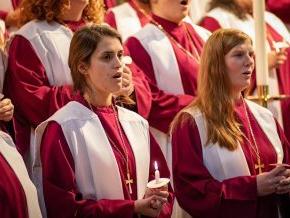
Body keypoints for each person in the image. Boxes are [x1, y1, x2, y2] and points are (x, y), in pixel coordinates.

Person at [32, 24, 173, 218]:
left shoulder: (136, 123)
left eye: (120, 55)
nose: (118, 64)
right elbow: (63, 208)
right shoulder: (62, 128)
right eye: (107, 57)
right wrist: (131, 208)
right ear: (83, 66)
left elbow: (163, 184)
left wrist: (156, 202)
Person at [171, 28, 290, 218]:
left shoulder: (265, 116)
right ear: (217, 64)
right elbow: (191, 191)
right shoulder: (192, 122)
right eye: (239, 54)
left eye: (251, 54)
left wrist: (286, 183)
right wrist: (252, 187)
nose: (250, 61)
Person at [3, 0, 108, 160]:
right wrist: (90, 88)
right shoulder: (30, 38)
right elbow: (32, 101)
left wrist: (128, 86)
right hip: (62, 146)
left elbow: (135, 79)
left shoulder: (103, 30)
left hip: (108, 135)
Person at [125, 0, 210, 155]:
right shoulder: (139, 43)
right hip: (176, 142)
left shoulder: (205, 35)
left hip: (215, 133)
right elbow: (150, 99)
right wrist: (206, 105)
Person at [199, 0, 290, 141]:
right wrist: (261, 66)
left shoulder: (271, 19)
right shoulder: (216, 20)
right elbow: (215, 69)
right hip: (247, 111)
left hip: (283, 111)